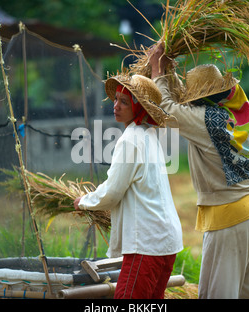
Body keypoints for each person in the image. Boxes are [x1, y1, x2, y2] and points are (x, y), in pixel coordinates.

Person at [148, 43, 249, 299]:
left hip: (231, 218)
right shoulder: (235, 111)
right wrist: (170, 74)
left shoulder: (204, 120)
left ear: (198, 100)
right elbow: (181, 105)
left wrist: (157, 72)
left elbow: (167, 110)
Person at [74, 73, 183, 299]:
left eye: (124, 102)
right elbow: (120, 182)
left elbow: (113, 192)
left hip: (147, 244)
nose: (116, 106)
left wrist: (84, 201)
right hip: (165, 242)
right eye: (115, 100)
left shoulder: (131, 139)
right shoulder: (149, 135)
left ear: (139, 107)